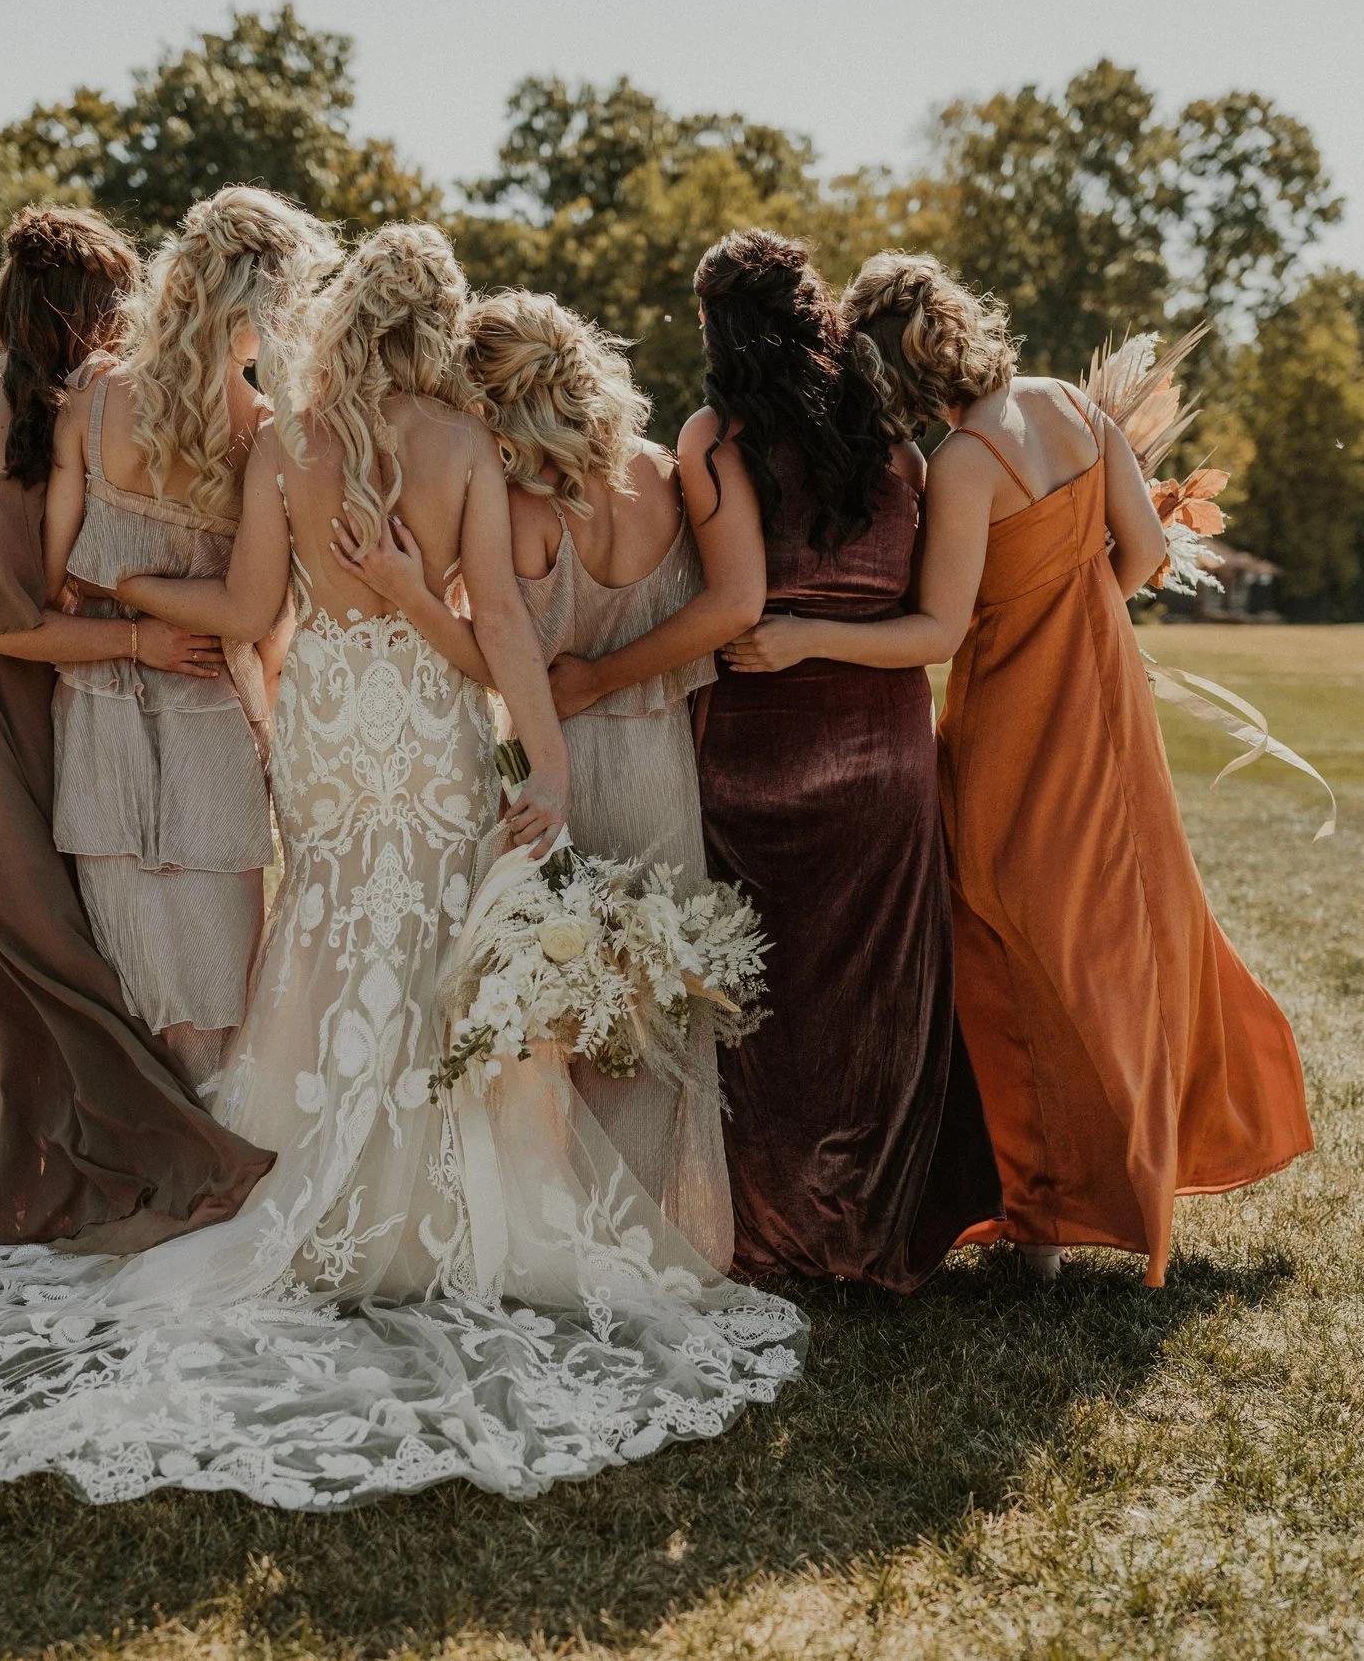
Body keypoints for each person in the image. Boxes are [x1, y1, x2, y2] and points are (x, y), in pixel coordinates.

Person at [0, 223, 804, 1512]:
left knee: (326, 925)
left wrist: (133, 587)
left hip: (327, 737)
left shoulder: (287, 442)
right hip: (418, 722)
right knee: (424, 936)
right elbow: (499, 633)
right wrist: (550, 763)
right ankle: (431, 1204)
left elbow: (251, 614)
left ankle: (288, 1185)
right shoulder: (463, 446)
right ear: (434, 324)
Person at [757, 252, 1313, 1286]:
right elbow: (1141, 554)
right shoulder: (1067, 402)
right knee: (1127, 919)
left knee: (1019, 929)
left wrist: (801, 639)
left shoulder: (961, 464)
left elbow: (933, 631)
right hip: (1108, 703)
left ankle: (1049, 1217)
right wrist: (1078, 612)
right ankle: (1092, 1185)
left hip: (1020, 719)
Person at [0, 206, 275, 1252]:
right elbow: (11, 619)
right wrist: (133, 639)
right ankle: (163, 1154)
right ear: (96, 315)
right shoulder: (51, 416)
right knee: (45, 955)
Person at [337, 288, 752, 1269]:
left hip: (555, 773)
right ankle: (672, 1236)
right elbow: (702, 619)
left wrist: (407, 594)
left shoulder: (520, 508)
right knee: (658, 999)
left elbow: (500, 664)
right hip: (658, 763)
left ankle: (575, 1240)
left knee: (560, 1012)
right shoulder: (659, 477)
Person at [685, 229, 1000, 1292]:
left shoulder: (713, 442)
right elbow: (928, 623)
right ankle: (864, 1222)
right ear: (816, 315)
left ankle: (764, 1224)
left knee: (760, 998)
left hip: (751, 748)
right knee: (870, 991)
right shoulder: (900, 454)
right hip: (878, 753)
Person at [37, 186, 335, 1087]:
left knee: (126, 956)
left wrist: (123, 590)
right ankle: (216, 1152)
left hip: (96, 714)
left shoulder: (93, 399)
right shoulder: (264, 435)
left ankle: (151, 1149)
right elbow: (260, 619)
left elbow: (48, 581)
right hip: (214, 714)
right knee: (220, 971)